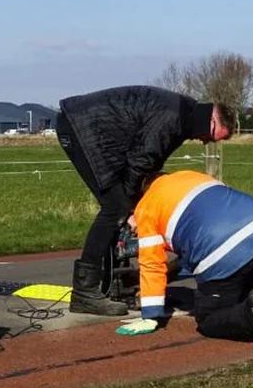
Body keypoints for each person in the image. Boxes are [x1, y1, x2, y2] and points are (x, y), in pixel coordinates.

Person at [55, 86, 234, 316]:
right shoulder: (173, 118)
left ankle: (114, 285)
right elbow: (141, 161)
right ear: (211, 117)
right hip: (82, 128)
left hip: (98, 133)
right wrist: (132, 208)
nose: (204, 141)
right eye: (209, 134)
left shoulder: (184, 116)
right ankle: (84, 291)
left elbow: (151, 161)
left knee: (120, 208)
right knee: (115, 208)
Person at [116, 170, 253, 353]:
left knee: (207, 318)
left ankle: (249, 314)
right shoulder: (189, 175)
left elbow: (152, 265)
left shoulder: (146, 207)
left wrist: (150, 314)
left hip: (222, 251)